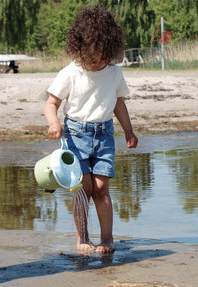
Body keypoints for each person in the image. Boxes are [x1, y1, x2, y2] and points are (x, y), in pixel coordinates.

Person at [44, 5, 138, 255]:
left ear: (111, 50)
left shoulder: (114, 73)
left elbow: (119, 104)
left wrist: (128, 131)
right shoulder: (70, 73)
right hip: (75, 135)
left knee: (101, 188)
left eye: (103, 58)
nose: (98, 63)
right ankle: (82, 238)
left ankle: (107, 239)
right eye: (93, 59)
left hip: (105, 135)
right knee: (83, 188)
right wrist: (54, 123)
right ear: (80, 50)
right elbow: (51, 104)